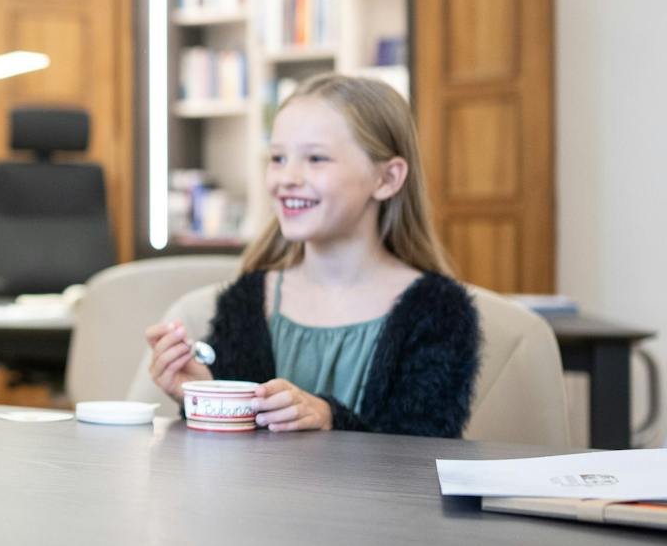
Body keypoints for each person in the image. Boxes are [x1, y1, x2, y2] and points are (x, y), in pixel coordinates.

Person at [144, 74, 480, 437]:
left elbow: (424, 454)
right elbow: (227, 465)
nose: (287, 177)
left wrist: (330, 419)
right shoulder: (246, 301)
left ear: (386, 179)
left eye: (316, 158)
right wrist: (204, 394)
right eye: (277, 158)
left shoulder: (440, 312)